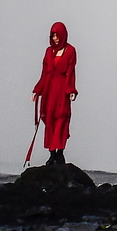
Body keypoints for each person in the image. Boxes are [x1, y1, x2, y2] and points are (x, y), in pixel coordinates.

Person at [32, 21, 78, 166]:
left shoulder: (70, 51)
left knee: (62, 118)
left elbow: (71, 72)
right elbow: (44, 73)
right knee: (50, 119)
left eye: (58, 35)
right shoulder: (48, 51)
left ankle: (60, 152)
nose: (56, 38)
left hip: (62, 90)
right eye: (53, 35)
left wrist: (71, 90)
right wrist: (37, 90)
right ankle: (52, 154)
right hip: (49, 89)